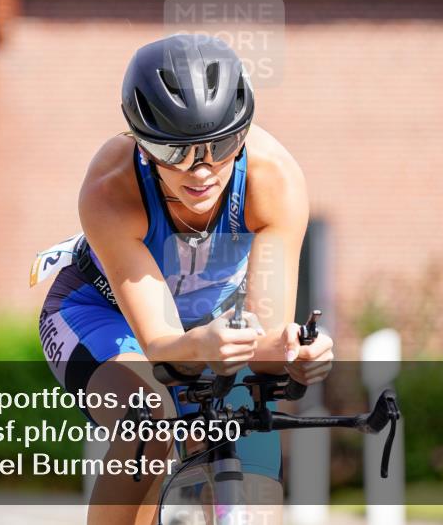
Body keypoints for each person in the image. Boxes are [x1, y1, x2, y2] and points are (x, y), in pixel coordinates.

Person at [35, 34, 334, 524]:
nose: (201, 170)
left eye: (220, 145)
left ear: (243, 133)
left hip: (213, 325)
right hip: (101, 313)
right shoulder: (112, 186)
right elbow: (160, 344)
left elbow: (262, 342)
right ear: (141, 142)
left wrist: (294, 351)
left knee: (252, 473)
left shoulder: (274, 179)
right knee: (150, 422)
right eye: (173, 151)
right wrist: (207, 347)